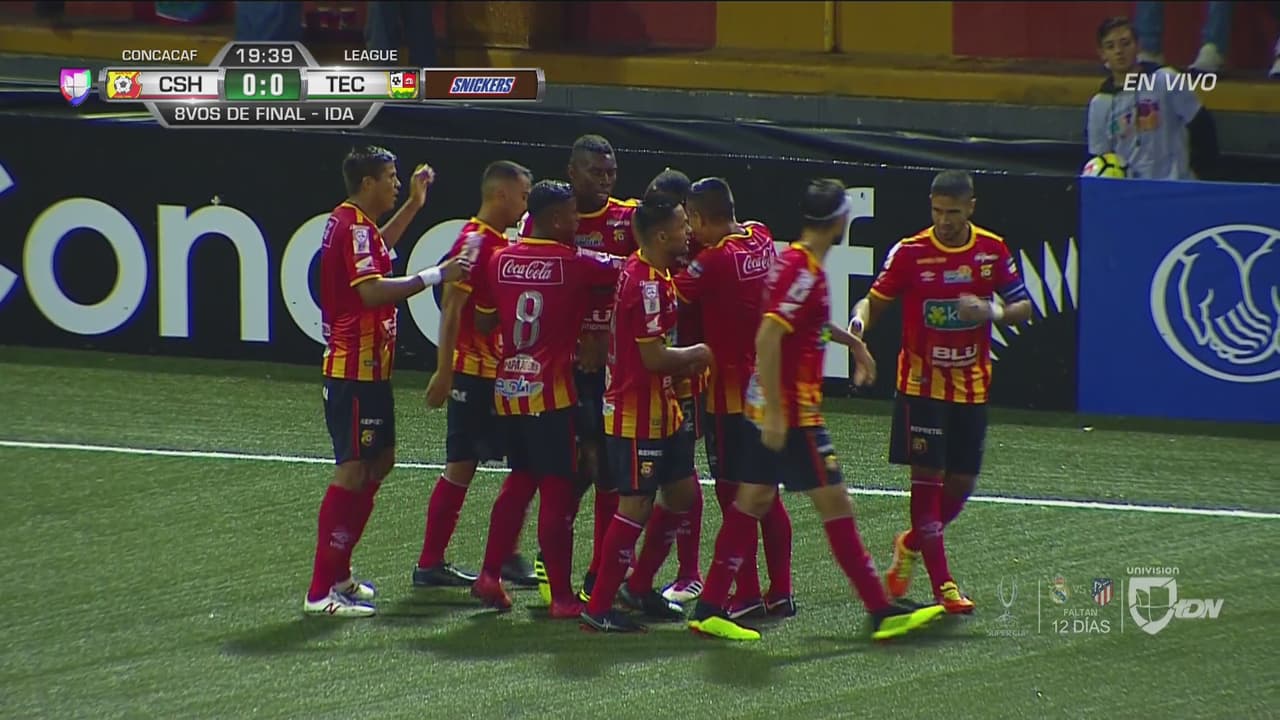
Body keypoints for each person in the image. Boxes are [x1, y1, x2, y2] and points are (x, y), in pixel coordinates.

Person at [688, 179, 946, 642]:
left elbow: (801, 326)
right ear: (839, 219)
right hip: (793, 415)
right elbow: (768, 336)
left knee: (752, 501)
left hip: (774, 407)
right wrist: (775, 412)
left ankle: (709, 607)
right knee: (834, 504)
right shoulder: (802, 269)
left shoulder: (795, 263)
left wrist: (852, 344)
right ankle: (881, 610)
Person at [847, 170, 1033, 615]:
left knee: (962, 483)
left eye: (952, 212)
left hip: (971, 385)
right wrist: (858, 325)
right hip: (921, 386)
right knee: (927, 484)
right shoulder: (911, 252)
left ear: (971, 207)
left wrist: (989, 311)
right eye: (937, 211)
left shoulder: (992, 249)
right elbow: (873, 300)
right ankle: (943, 584)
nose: (944, 220)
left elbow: (1023, 306)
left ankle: (911, 543)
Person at [305, 146, 469, 617]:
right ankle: (320, 591)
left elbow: (377, 249)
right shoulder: (353, 226)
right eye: (392, 178)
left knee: (379, 462)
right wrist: (435, 275)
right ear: (368, 183)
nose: (397, 184)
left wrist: (415, 205)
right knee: (353, 469)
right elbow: (373, 291)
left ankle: (339, 573)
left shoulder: (352, 223)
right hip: (353, 371)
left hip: (370, 371)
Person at [468, 180, 625, 617]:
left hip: (509, 388)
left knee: (520, 480)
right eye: (573, 214)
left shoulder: (499, 259)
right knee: (557, 491)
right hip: (552, 393)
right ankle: (561, 597)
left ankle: (489, 574)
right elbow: (629, 269)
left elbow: (483, 322)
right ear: (555, 219)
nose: (578, 222)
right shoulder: (575, 262)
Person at [580, 194, 713, 633]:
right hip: (637, 414)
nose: (688, 232)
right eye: (681, 225)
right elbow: (654, 358)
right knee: (635, 505)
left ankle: (637, 587)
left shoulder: (649, 270)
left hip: (663, 409)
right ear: (660, 236)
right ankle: (599, 606)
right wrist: (699, 354)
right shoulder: (648, 285)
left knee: (683, 495)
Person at [520, 135, 639, 606]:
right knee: (571, 469)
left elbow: (643, 275)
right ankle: (551, 562)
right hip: (562, 366)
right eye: (596, 172)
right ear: (572, 171)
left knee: (607, 468)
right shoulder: (551, 218)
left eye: (611, 172)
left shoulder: (628, 218)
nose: (606, 181)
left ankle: (599, 571)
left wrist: (606, 334)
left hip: (611, 365)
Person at [672, 177, 794, 620]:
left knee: (733, 496)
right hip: (770, 387)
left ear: (698, 218)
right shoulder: (760, 235)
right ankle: (780, 591)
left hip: (729, 396)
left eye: (689, 222)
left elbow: (669, 291)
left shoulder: (713, 261)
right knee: (767, 494)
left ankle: (745, 594)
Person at [414, 161, 536, 589]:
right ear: (501, 194)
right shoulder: (474, 241)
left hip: (499, 373)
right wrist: (444, 371)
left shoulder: (499, 240)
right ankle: (430, 563)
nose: (525, 205)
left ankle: (505, 554)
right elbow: (451, 307)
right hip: (473, 373)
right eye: (523, 196)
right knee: (462, 465)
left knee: (523, 462)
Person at [639, 168, 707, 606]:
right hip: (644, 378)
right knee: (638, 482)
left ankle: (688, 572)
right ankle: (627, 576)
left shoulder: (700, 249)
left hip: (684, 376)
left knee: (680, 476)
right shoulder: (645, 252)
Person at [1087, 16, 1219, 180]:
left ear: (1138, 46)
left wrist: (1203, 175)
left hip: (1175, 184)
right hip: (1129, 189)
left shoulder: (1166, 79)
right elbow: (1099, 157)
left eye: (1125, 43)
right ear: (1102, 54)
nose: (1119, 51)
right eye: (1110, 46)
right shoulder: (1100, 103)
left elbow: (1202, 125)